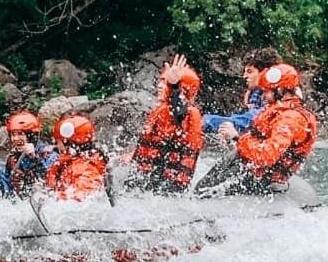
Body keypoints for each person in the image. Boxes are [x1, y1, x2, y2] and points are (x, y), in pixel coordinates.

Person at [194, 64, 317, 196]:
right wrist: (235, 140)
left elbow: (267, 155)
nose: (263, 96)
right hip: (251, 167)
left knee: (204, 193)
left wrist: (237, 138)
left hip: (263, 177)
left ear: (281, 91)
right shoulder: (278, 110)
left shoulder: (290, 119)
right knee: (201, 188)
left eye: (267, 91)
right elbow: (256, 137)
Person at [125, 56, 204, 193]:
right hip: (151, 179)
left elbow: (179, 113)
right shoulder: (163, 109)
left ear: (182, 88)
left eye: (164, 82)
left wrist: (174, 87)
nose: (159, 86)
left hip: (166, 186)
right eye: (161, 81)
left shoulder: (186, 113)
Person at [202, 47, 282, 140]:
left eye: (250, 71)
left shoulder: (278, 96)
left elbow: (249, 120)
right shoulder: (256, 92)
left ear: (265, 72)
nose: (244, 76)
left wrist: (207, 121)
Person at [45, 114, 107, 201]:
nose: (56, 145)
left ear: (68, 143)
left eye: (58, 142)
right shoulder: (70, 162)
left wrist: (54, 197)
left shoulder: (85, 169)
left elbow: (83, 199)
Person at [4, 111, 58, 196]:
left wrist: (34, 158)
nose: (15, 139)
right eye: (13, 135)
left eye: (20, 134)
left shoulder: (50, 154)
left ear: (32, 136)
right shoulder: (12, 158)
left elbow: (49, 180)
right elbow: (6, 189)